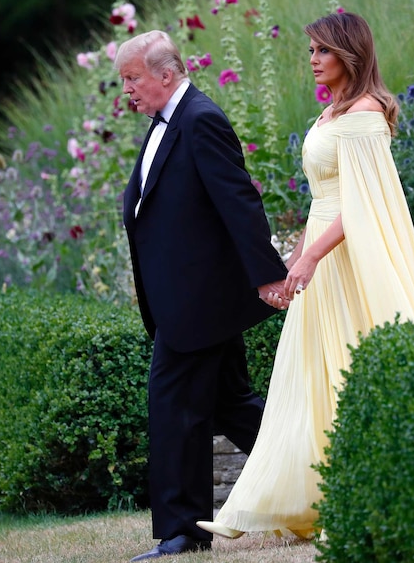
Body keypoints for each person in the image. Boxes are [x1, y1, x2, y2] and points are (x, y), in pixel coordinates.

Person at [196, 12, 414, 540]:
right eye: (310, 51)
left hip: (355, 263)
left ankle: (372, 497)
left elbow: (360, 207)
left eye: (321, 51)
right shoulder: (332, 114)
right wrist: (294, 258)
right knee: (315, 377)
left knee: (355, 366)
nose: (311, 60)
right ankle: (318, 498)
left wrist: (312, 258)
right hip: (324, 258)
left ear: (348, 54)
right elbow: (322, 202)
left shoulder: (367, 114)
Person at [112, 30, 290, 561]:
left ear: (166, 74)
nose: (127, 90)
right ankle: (321, 480)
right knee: (233, 406)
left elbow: (239, 201)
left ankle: (182, 531)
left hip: (199, 302)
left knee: (172, 408)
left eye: (133, 79)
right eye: (124, 81)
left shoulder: (200, 118)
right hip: (184, 300)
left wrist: (267, 275)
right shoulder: (166, 122)